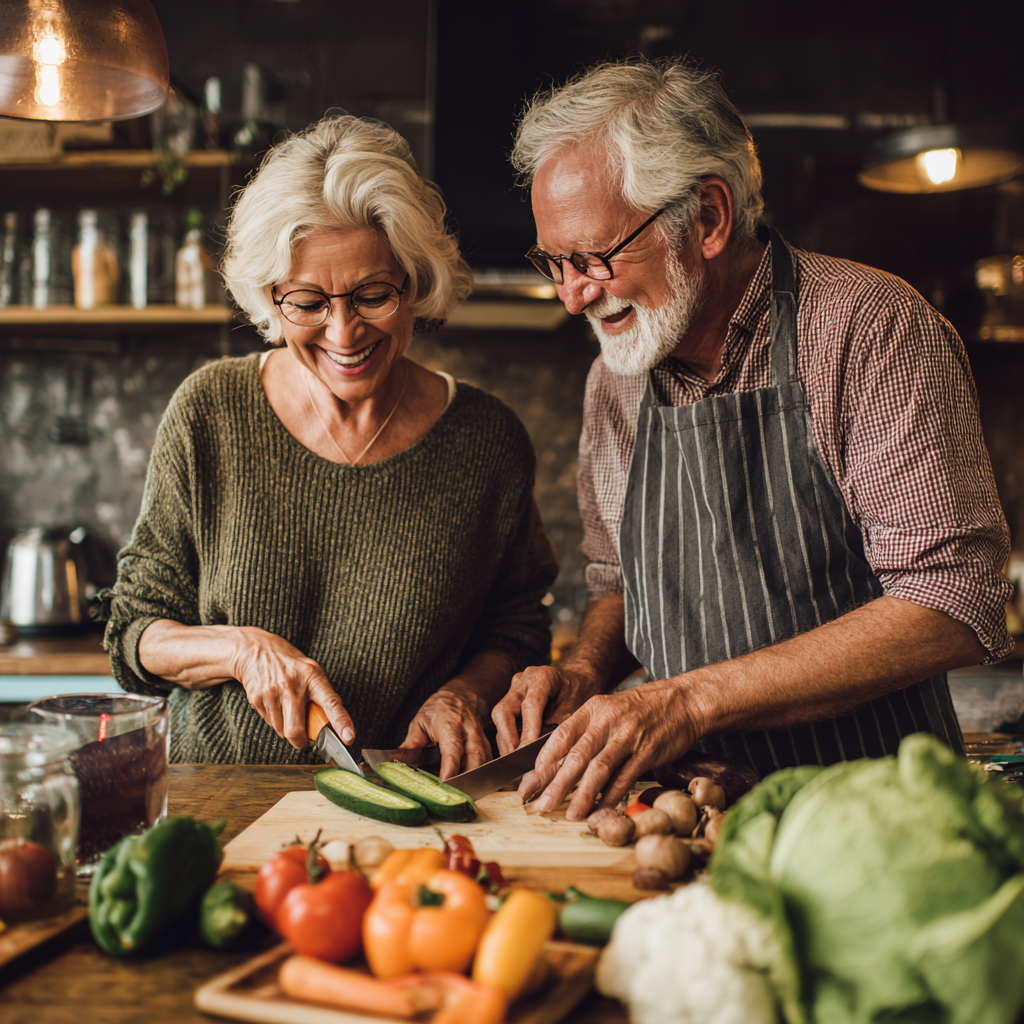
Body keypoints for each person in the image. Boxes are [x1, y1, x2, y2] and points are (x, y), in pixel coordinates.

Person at [491, 58, 1012, 820]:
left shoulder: (868, 330)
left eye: (594, 257)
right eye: (555, 262)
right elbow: (618, 584)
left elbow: (954, 598)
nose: (573, 295)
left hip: (874, 814)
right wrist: (585, 672)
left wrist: (687, 702)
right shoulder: (616, 380)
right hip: (688, 816)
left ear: (707, 218)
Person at [102, 116, 558, 772]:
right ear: (270, 295)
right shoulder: (210, 412)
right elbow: (135, 633)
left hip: (407, 806)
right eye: (308, 302)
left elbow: (516, 629)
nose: (343, 334)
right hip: (220, 802)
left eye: (373, 295)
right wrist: (241, 650)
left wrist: (463, 694)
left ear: (414, 280)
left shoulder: (487, 443)